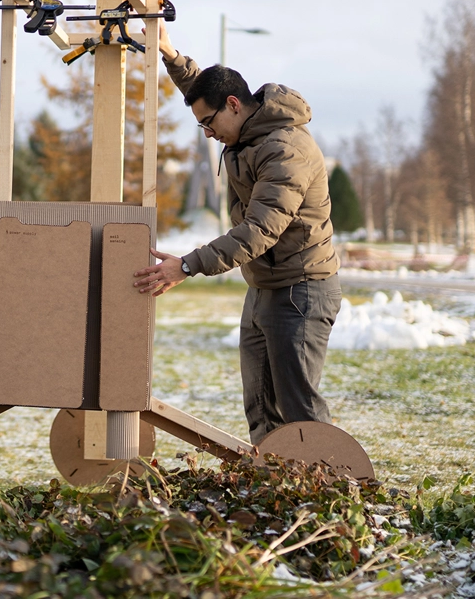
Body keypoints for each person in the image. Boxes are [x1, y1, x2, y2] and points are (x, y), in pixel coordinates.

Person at [132, 23, 341, 445]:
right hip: (265, 287)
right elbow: (199, 88)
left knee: (300, 413)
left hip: (300, 291)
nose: (208, 133)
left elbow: (261, 230)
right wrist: (172, 58)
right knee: (262, 410)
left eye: (209, 123)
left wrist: (187, 265)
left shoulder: (285, 149)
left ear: (234, 105)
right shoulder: (245, 127)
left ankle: (333, 493)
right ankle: (275, 492)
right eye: (201, 126)